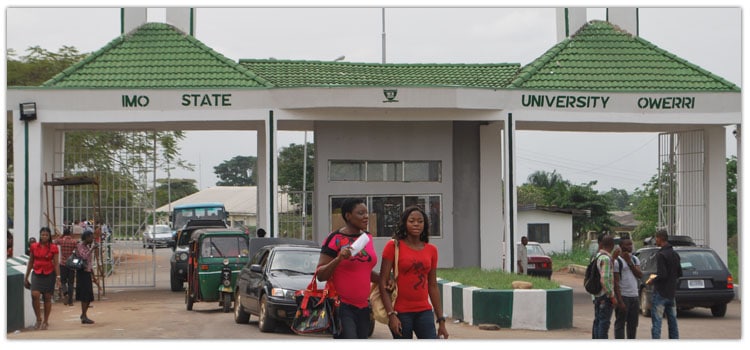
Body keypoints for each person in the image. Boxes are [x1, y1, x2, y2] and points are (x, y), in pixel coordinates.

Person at [378, 206, 449, 339]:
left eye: (420, 221)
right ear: (405, 223)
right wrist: (391, 315)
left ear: (425, 224)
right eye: (412, 221)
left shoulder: (431, 250)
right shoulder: (393, 246)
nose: (416, 224)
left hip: (424, 311)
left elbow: (432, 285)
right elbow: (383, 282)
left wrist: (441, 320)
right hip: (400, 312)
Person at [316, 198, 380, 339]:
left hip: (364, 307)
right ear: (348, 216)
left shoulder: (367, 237)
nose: (366, 216)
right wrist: (338, 259)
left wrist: (385, 279)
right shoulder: (335, 238)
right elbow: (320, 275)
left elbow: (364, 271)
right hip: (342, 306)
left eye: (366, 213)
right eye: (360, 213)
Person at [23, 227, 61, 330]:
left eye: (46, 235)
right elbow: (31, 261)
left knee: (47, 297)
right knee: (35, 294)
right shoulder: (34, 246)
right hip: (37, 273)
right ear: (40, 235)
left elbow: (56, 263)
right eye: (42, 235)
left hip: (49, 274)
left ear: (49, 237)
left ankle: (46, 321)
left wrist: (58, 277)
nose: (44, 236)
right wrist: (26, 276)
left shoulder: (53, 247)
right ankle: (38, 319)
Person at [647, 229, 682, 339]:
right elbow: (680, 273)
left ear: (659, 238)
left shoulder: (661, 255)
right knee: (673, 322)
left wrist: (653, 279)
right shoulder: (675, 254)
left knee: (657, 322)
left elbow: (662, 275)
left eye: (656, 238)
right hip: (671, 293)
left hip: (661, 293)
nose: (655, 240)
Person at [613, 237, 642, 339]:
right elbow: (616, 283)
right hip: (624, 296)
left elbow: (639, 275)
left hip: (634, 296)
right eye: (627, 244)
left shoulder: (635, 259)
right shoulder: (617, 262)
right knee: (620, 324)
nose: (630, 246)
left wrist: (629, 262)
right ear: (621, 246)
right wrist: (619, 301)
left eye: (631, 244)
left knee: (633, 325)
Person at [590, 234, 617, 339]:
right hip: (604, 297)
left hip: (597, 295)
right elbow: (604, 280)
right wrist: (612, 296)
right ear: (612, 245)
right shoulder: (606, 259)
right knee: (604, 324)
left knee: (598, 322)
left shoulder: (597, 256)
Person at [76, 229, 98, 324]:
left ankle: (84, 314)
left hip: (87, 272)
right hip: (82, 273)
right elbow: (83, 257)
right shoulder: (80, 246)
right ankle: (84, 316)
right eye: (91, 237)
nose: (92, 238)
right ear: (86, 237)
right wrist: (92, 249)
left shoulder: (86, 247)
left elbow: (89, 262)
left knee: (89, 296)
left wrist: (93, 274)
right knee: (85, 295)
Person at [54, 227, 78, 306]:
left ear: (64, 233)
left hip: (63, 264)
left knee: (63, 281)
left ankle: (65, 293)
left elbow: (55, 242)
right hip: (71, 264)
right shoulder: (73, 241)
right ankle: (70, 300)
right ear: (70, 233)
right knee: (71, 282)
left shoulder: (62, 241)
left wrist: (61, 236)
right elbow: (77, 249)